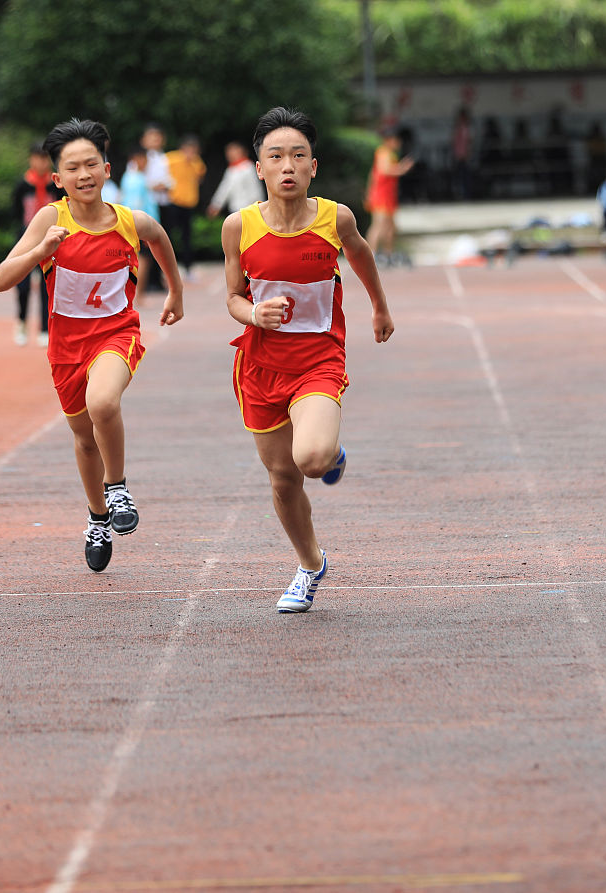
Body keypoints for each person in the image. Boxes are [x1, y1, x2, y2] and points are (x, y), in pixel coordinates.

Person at [221, 107, 395, 613]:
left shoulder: (335, 218)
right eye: (276, 157)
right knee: (283, 478)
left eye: (298, 155)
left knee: (312, 460)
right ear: (260, 168)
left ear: (313, 167)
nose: (288, 166)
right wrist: (254, 313)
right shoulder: (239, 226)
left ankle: (330, 451)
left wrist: (379, 307)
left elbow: (360, 256)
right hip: (260, 367)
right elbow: (233, 297)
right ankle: (310, 564)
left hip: (318, 360)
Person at [0, 118, 184, 573]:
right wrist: (40, 252)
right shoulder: (50, 219)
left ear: (106, 169)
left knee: (103, 402)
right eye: (73, 167)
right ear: (57, 178)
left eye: (91, 164)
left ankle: (117, 488)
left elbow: (158, 236)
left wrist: (175, 291)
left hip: (117, 335)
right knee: (83, 438)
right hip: (66, 348)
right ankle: (98, 517)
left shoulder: (128, 222)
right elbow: (2, 279)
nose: (84, 174)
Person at [10, 143, 63, 347]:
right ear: (31, 159)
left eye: (44, 158)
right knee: (22, 286)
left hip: (49, 240)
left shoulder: (56, 185)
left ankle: (44, 328)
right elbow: (16, 212)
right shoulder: (22, 186)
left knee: (46, 286)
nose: (41, 162)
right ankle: (22, 322)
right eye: (37, 158)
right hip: (26, 238)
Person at [364, 126, 414, 267]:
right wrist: (402, 168)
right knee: (378, 226)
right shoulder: (383, 153)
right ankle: (371, 255)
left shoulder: (390, 154)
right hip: (381, 195)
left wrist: (401, 166)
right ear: (390, 140)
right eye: (397, 140)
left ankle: (388, 254)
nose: (399, 143)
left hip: (388, 195)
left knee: (391, 227)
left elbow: (374, 174)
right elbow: (385, 170)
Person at [163, 135, 206, 280]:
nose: (191, 153)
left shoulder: (197, 162)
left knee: (187, 238)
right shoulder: (171, 158)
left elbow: (200, 177)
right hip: (173, 203)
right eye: (189, 149)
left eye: (194, 150)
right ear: (182, 148)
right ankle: (168, 269)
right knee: (168, 237)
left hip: (189, 204)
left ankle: (187, 268)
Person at [120, 149, 160, 292]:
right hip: (140, 225)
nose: (147, 163)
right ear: (137, 159)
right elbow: (136, 204)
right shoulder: (136, 180)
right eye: (145, 160)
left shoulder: (129, 177)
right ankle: (139, 295)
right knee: (142, 260)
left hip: (134, 223)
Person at [140, 125, 173, 291]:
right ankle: (148, 280)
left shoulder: (165, 159)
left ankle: (160, 279)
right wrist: (153, 186)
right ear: (143, 140)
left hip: (163, 203)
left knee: (162, 241)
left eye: (157, 137)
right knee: (147, 242)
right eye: (151, 137)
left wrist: (166, 185)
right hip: (148, 205)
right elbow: (137, 181)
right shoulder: (139, 159)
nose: (154, 140)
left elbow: (171, 180)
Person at [207, 140, 264, 219]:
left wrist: (259, 208)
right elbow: (224, 189)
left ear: (241, 152)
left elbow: (255, 189)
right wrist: (216, 205)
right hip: (235, 210)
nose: (230, 155)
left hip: (249, 210)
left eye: (233, 151)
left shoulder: (248, 167)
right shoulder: (231, 170)